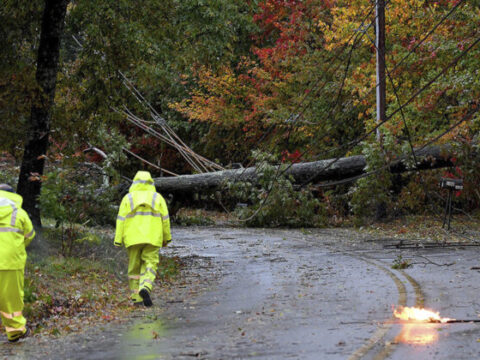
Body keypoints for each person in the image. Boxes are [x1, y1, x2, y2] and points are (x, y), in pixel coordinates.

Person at [114, 171, 171, 307]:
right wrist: (167, 237)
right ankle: (145, 286)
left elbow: (120, 219)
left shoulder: (128, 198)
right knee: (150, 264)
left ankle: (136, 298)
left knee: (134, 268)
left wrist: (118, 239)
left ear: (134, 182)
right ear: (151, 182)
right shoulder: (158, 198)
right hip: (153, 237)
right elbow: (165, 219)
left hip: (132, 238)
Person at [0, 184, 35, 342]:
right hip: (11, 262)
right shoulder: (19, 213)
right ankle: (15, 331)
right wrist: (18, 247)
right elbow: (30, 235)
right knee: (11, 299)